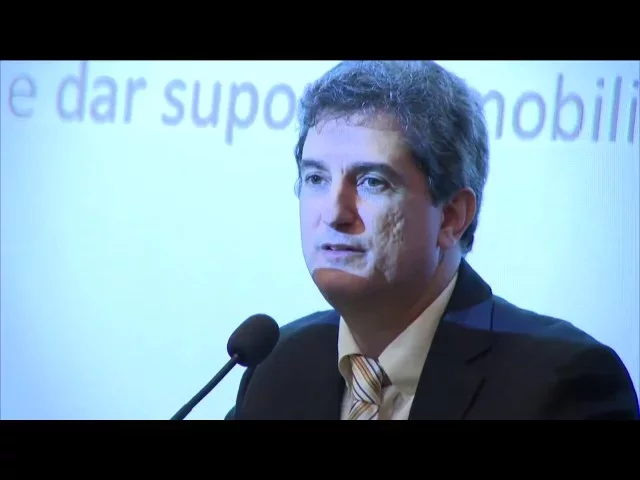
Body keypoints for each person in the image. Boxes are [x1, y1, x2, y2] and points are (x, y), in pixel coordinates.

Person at [225, 60, 639, 420]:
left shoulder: (564, 384)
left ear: (452, 216)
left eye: (372, 181)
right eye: (316, 177)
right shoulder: (276, 367)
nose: (334, 213)